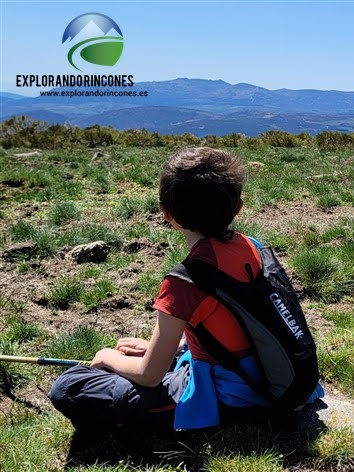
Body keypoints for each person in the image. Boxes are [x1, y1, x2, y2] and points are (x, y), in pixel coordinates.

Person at [49, 147, 322, 432]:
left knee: (68, 386)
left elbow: (149, 375)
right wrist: (178, 347)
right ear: (238, 206)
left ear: (167, 213)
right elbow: (239, 320)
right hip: (275, 374)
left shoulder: (185, 281)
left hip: (233, 397)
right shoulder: (253, 246)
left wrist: (106, 356)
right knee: (131, 356)